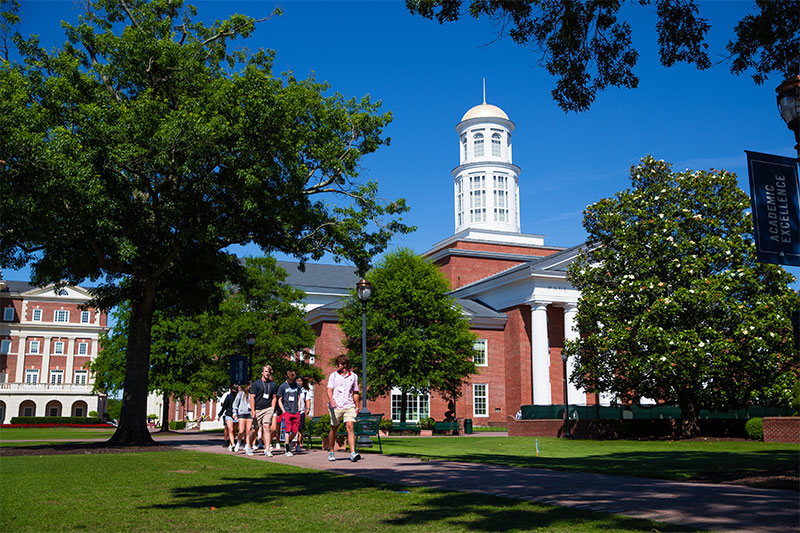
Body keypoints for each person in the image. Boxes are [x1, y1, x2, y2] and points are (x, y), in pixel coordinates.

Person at [326, 354, 360, 462]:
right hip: (336, 406)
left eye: (338, 364)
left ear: (344, 365)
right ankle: (331, 451)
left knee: (350, 427)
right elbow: (329, 390)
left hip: (349, 406)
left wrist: (357, 407)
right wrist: (332, 401)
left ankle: (353, 453)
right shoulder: (334, 376)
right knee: (334, 428)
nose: (337, 366)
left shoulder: (353, 376)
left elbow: (355, 392)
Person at [250, 365, 278, 457]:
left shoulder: (273, 385)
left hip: (268, 409)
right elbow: (252, 397)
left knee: (266, 427)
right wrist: (253, 410)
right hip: (258, 409)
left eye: (268, 372)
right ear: (262, 372)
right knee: (255, 429)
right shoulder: (256, 384)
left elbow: (274, 397)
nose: (267, 373)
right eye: (265, 371)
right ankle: (249, 445)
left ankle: (267, 449)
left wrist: (272, 408)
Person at [277, 370, 302, 456]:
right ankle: (287, 450)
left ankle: (288, 442)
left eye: (293, 379)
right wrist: (283, 410)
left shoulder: (297, 386)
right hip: (287, 410)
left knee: (295, 431)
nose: (292, 381)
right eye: (290, 379)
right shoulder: (282, 386)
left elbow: (299, 398)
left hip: (296, 411)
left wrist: (299, 409)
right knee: (287, 430)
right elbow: (279, 399)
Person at [232, 381, 254, 455]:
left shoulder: (253, 394)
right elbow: (235, 403)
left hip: (249, 413)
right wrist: (234, 412)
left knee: (249, 430)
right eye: (250, 386)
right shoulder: (241, 393)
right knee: (241, 431)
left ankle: (248, 446)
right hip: (241, 413)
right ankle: (238, 442)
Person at [218, 383, 238, 451]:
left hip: (236, 415)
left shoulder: (239, 397)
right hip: (229, 415)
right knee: (230, 429)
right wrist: (219, 415)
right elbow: (224, 407)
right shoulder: (228, 396)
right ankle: (232, 444)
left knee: (234, 431)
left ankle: (230, 443)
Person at [295, 375, 311, 451]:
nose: (299, 382)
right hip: (293, 411)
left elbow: (308, 400)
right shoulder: (292, 389)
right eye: (297, 381)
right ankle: (291, 443)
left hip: (301, 411)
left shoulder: (304, 391)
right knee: (293, 428)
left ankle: (298, 444)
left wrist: (307, 409)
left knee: (300, 429)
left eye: (300, 381)